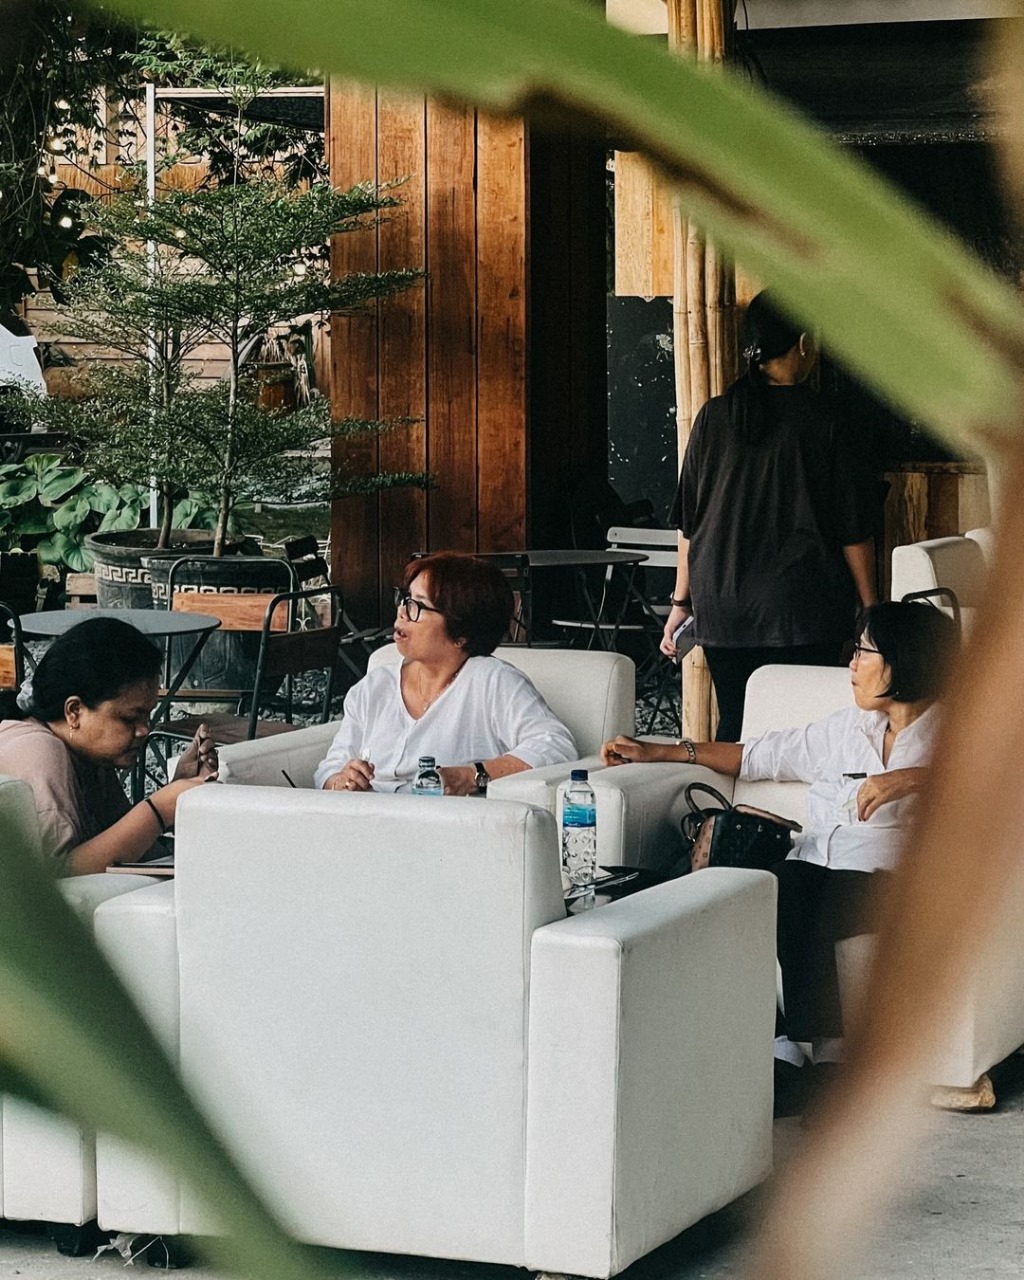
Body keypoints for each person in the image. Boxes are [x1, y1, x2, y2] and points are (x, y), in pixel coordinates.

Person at [602, 601, 957, 1074]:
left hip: (892, 880)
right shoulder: (849, 729)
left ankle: (819, 1054)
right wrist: (660, 750)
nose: (850, 664)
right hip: (814, 869)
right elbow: (758, 756)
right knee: (732, 891)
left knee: (787, 886)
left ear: (904, 661)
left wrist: (907, 779)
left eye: (863, 652)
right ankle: (783, 1049)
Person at [661, 291, 878, 741]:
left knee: (737, 731)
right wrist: (871, 607)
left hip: (721, 609)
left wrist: (681, 603)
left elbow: (690, 523)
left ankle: (726, 812)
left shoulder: (713, 417)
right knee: (801, 735)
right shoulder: (828, 421)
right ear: (803, 342)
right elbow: (853, 528)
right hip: (801, 610)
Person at [315, 552, 577, 795]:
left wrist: (471, 775)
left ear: (461, 634)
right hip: (364, 827)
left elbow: (555, 745)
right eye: (405, 599)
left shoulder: (491, 681)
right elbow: (329, 768)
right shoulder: (374, 686)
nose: (402, 612)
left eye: (418, 605)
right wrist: (341, 780)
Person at [0, 617, 218, 875]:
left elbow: (119, 841)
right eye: (128, 718)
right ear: (74, 711)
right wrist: (159, 809)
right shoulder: (40, 751)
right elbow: (55, 881)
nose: (144, 730)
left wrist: (178, 793)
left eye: (147, 716)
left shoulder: (91, 756)